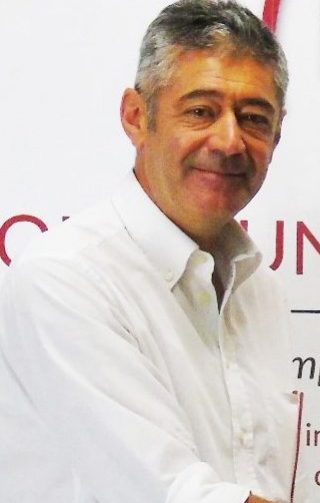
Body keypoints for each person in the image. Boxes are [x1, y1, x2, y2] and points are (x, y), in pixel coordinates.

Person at [0, 1, 296, 502]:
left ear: (277, 133)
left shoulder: (259, 292)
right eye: (201, 111)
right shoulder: (66, 279)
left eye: (253, 118)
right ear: (136, 117)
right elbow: (172, 493)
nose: (229, 141)